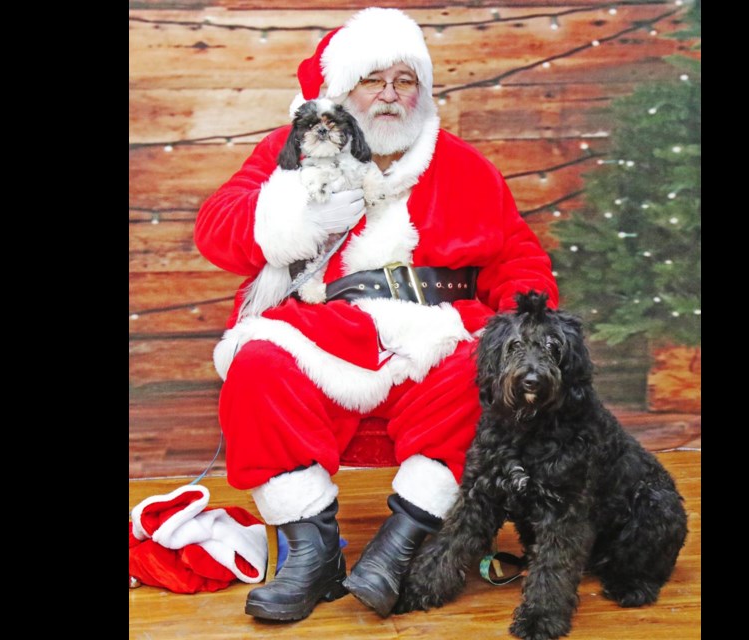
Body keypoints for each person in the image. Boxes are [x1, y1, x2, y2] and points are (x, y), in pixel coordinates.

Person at [194, 7, 559, 622]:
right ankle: (312, 554)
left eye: (404, 80)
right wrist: (285, 215)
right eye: (373, 80)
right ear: (342, 88)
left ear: (421, 91)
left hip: (436, 334)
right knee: (257, 363)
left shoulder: (465, 165)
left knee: (487, 367)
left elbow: (516, 257)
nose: (390, 95)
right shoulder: (294, 152)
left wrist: (529, 322)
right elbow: (217, 229)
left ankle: (403, 545)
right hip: (326, 331)